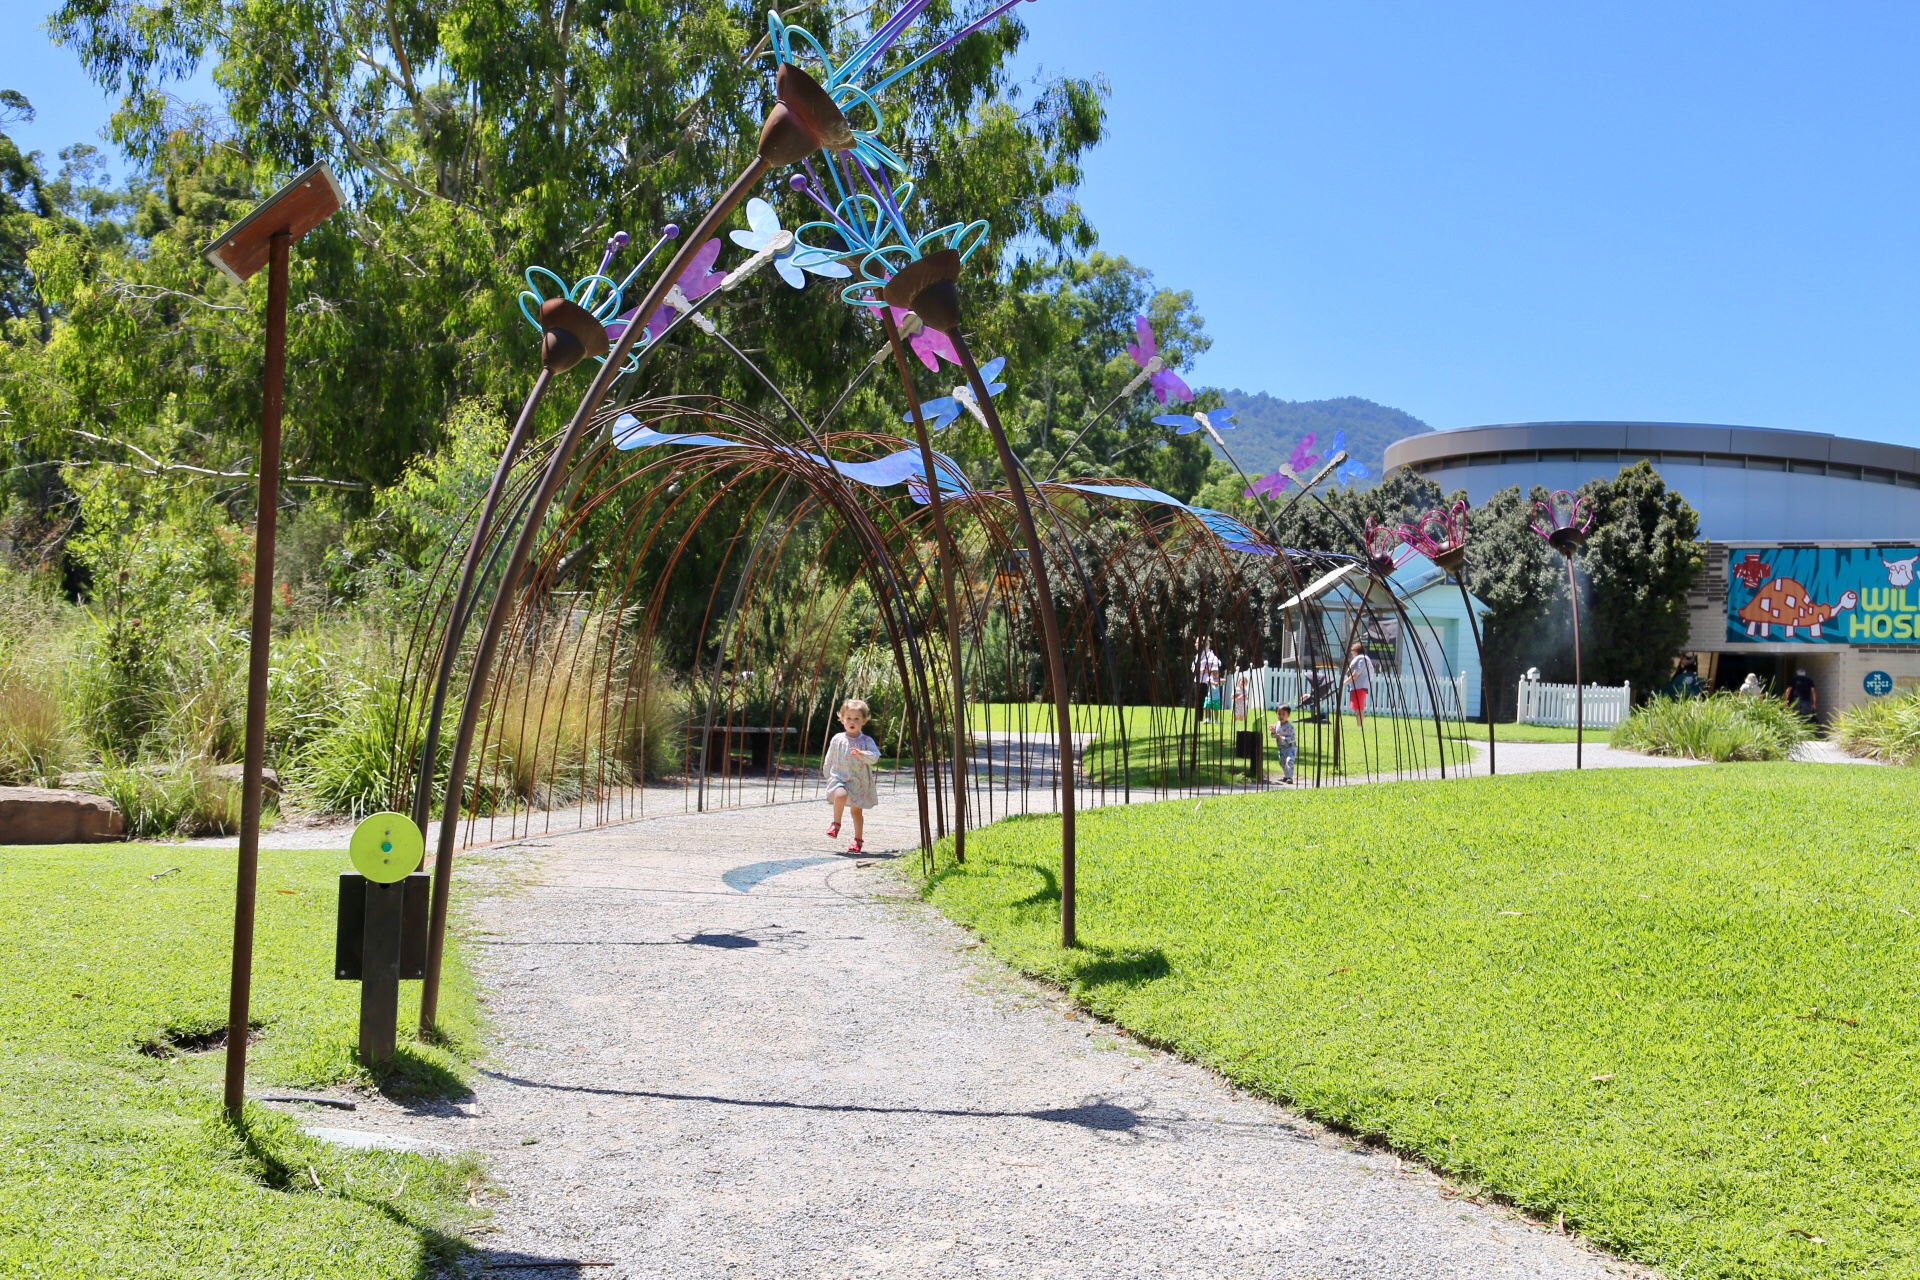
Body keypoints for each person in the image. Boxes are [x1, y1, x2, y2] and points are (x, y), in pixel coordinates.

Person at [823, 698, 881, 853]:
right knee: (840, 795)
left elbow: (875, 757)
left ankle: (858, 840)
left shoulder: (866, 741)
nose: (852, 722)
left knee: (856, 811)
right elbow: (829, 758)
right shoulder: (838, 739)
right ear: (842, 719)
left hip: (859, 781)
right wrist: (828, 776)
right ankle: (836, 824)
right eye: (848, 718)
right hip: (839, 777)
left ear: (864, 721)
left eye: (857, 718)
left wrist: (863, 754)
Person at [1343, 642, 1374, 728]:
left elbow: (1355, 674)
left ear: (1356, 651)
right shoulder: (1363, 658)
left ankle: (1359, 726)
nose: (1351, 652)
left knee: (1359, 708)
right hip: (1359, 686)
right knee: (1358, 708)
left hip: (1360, 686)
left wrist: (1345, 682)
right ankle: (1359, 725)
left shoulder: (1362, 660)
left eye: (1352, 650)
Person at [1193, 635, 1222, 724]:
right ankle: (1198, 718)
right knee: (1198, 700)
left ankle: (1206, 718)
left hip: (1205, 681)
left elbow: (1217, 664)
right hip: (1198, 680)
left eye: (1197, 643)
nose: (1195, 644)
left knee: (1204, 700)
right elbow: (1194, 667)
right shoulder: (1198, 654)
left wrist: (1206, 670)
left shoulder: (1210, 654)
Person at [1269, 704, 1297, 784]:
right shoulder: (1277, 724)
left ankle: (1289, 777)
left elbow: (1293, 738)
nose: (1281, 716)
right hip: (1281, 748)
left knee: (1289, 761)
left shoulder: (1289, 726)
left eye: (1283, 714)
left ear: (1288, 715)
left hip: (1290, 748)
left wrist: (1283, 738)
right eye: (1279, 714)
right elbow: (1273, 735)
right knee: (1282, 762)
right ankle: (1286, 776)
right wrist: (1273, 731)